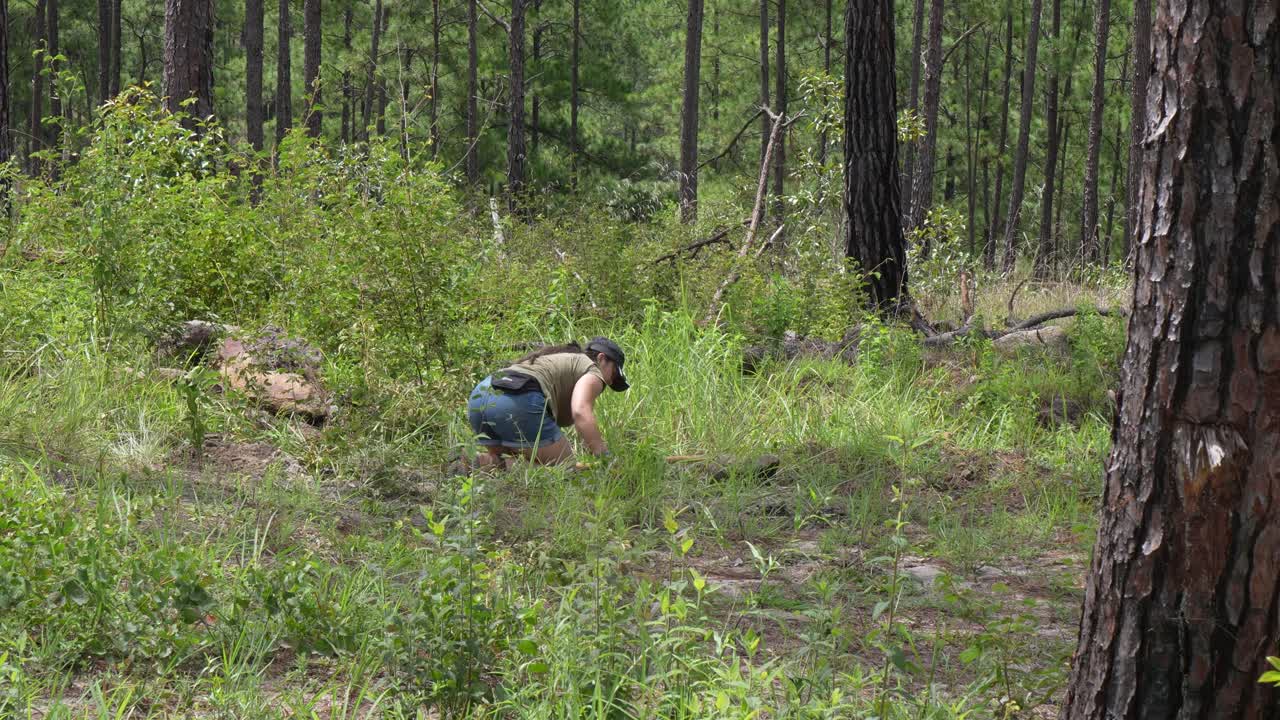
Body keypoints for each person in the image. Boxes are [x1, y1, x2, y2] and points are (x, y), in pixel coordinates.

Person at [466, 337, 630, 467]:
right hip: (517, 399)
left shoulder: (556, 358)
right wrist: (605, 458)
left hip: (481, 395)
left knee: (514, 465)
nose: (610, 381)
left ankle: (475, 463)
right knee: (566, 471)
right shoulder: (593, 369)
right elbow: (580, 411)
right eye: (614, 374)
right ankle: (480, 463)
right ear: (601, 358)